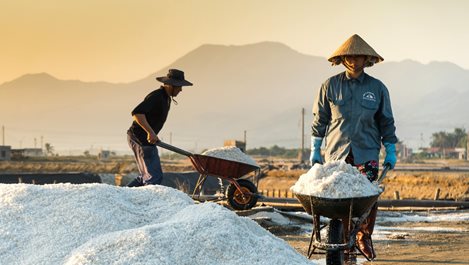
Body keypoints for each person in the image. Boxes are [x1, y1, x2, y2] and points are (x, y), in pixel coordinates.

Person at [310, 34, 398, 261]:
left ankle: (363, 236)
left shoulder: (377, 88)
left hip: (366, 152)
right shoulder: (329, 85)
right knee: (338, 199)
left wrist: (390, 149)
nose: (353, 60)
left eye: (358, 56)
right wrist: (315, 148)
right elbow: (320, 120)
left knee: (367, 197)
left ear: (366, 58)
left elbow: (386, 121)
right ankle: (341, 237)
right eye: (349, 56)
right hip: (336, 154)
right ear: (342, 58)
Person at [127, 69, 193, 187]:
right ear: (170, 85)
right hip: (139, 138)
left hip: (146, 139)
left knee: (147, 176)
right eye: (179, 86)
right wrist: (150, 133)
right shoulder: (157, 96)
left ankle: (121, 195)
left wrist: (151, 134)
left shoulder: (166, 98)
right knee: (154, 177)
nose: (181, 90)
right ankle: (145, 203)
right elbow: (137, 113)